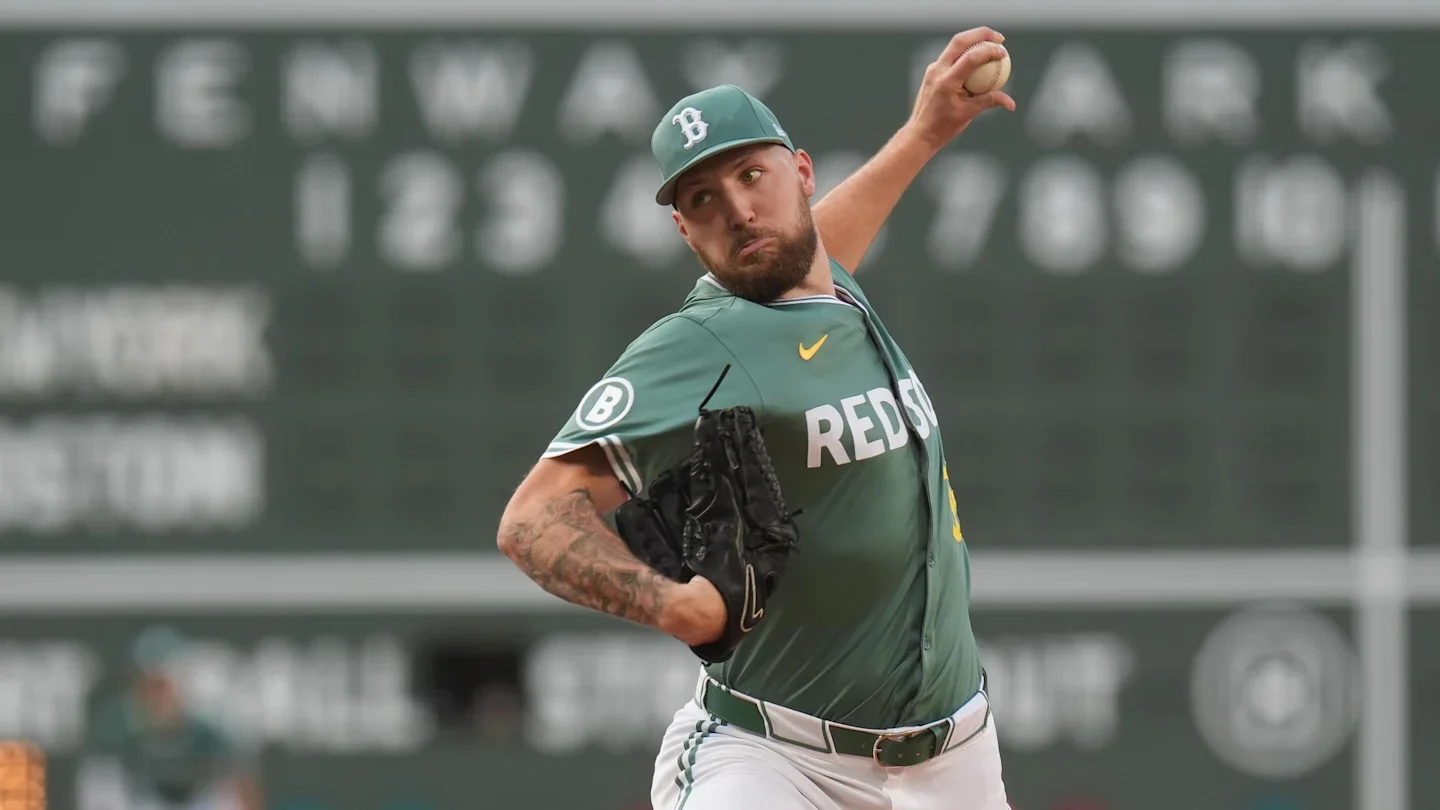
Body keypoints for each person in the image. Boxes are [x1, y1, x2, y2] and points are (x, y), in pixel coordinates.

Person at [497, 27, 1017, 810]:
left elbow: (816, 247)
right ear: (683, 229)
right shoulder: (702, 343)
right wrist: (676, 605)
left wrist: (923, 134)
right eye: (702, 199)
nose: (739, 211)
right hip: (775, 760)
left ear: (801, 174)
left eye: (751, 175)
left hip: (956, 762)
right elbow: (530, 519)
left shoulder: (824, 287)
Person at [83, 626, 263, 810]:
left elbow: (243, 793)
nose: (160, 696)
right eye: (151, 684)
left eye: (165, 684)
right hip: (138, 803)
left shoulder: (214, 733)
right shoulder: (114, 732)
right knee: (102, 779)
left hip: (200, 803)